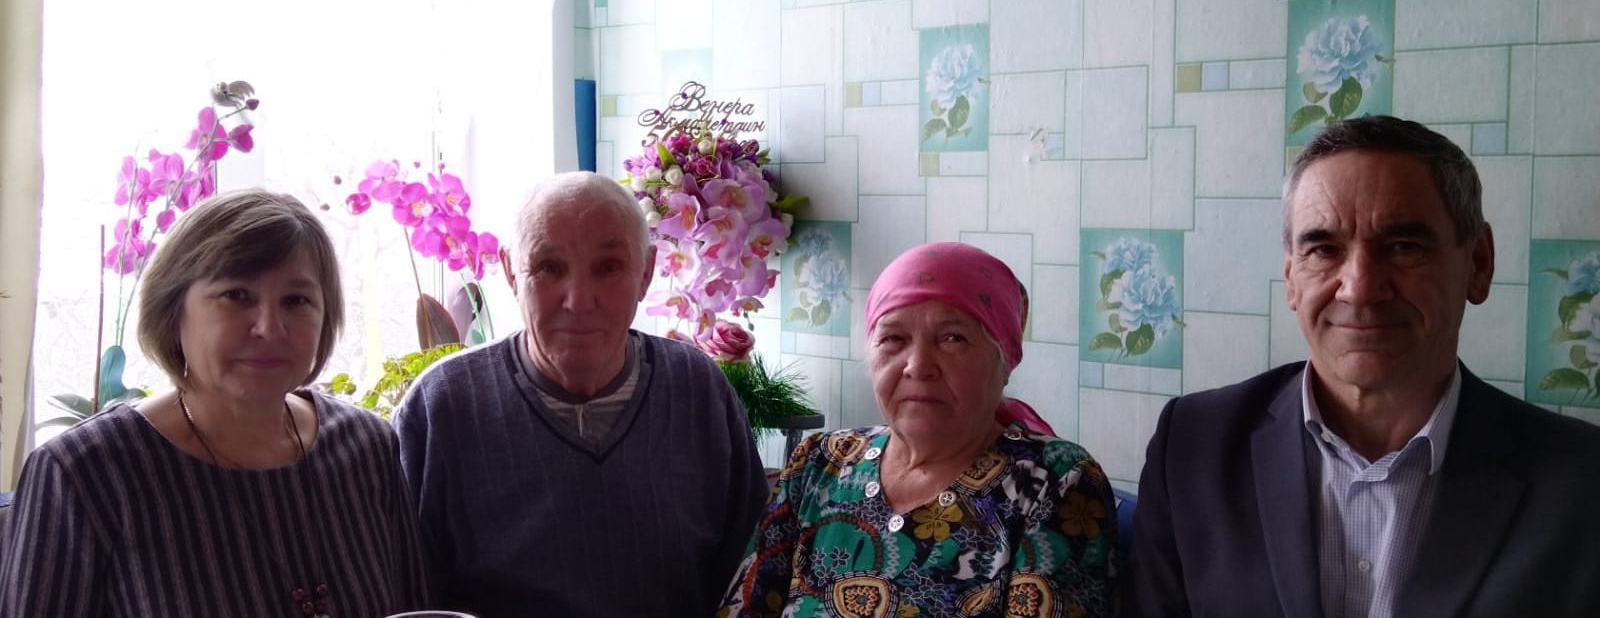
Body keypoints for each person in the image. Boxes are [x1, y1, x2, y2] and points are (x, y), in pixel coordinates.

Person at [1126, 116, 1600, 617]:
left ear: (1478, 263)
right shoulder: (1192, 447)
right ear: (1291, 278)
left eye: (1403, 247)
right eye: (1323, 249)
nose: (1360, 288)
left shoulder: (1583, 483)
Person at [0, 189, 429, 618]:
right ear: (172, 311)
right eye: (236, 295)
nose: (270, 328)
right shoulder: (83, 474)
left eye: (296, 301)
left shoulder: (367, 447)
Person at [393, 170, 768, 618]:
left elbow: (754, 576)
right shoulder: (441, 408)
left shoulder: (698, 391)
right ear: (511, 272)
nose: (578, 299)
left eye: (608, 267)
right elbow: (405, 593)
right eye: (549, 268)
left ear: (646, 273)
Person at [719, 241, 1118, 618]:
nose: (918, 365)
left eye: (953, 338)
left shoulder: (1054, 481)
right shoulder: (818, 463)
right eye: (893, 338)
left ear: (1004, 361)